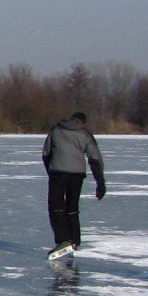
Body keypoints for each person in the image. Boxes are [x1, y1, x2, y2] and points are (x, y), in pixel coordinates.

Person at [41, 111, 106, 261]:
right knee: (72, 207)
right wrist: (100, 182)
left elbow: (46, 154)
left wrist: (50, 169)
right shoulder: (85, 134)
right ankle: (74, 241)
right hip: (77, 175)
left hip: (58, 173)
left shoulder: (56, 130)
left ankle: (63, 240)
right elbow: (95, 159)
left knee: (56, 206)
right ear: (83, 122)